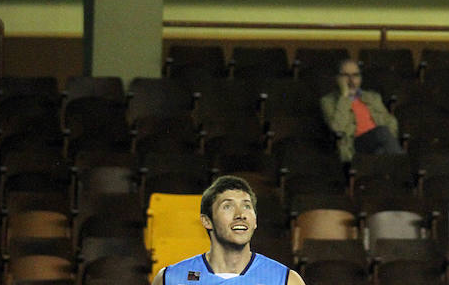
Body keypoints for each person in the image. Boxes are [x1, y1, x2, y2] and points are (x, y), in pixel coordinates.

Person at [151, 175, 305, 285]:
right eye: (228, 206)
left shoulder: (285, 280)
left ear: (255, 221)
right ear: (207, 221)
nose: (240, 215)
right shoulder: (170, 279)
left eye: (246, 206)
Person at [320, 58, 403, 162]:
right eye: (346, 75)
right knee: (382, 132)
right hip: (354, 144)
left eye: (355, 75)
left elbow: (391, 122)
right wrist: (344, 97)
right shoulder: (328, 101)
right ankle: (403, 166)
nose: (351, 80)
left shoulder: (373, 97)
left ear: (360, 78)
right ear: (338, 78)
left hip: (377, 142)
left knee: (380, 152)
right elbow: (337, 128)